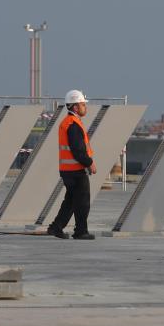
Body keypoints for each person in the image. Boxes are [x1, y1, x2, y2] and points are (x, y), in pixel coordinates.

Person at [47, 90, 97, 240]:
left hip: (69, 170)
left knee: (70, 201)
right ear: (75, 107)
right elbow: (77, 150)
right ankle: (81, 231)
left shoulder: (70, 122)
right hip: (75, 170)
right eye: (82, 104)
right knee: (82, 202)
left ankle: (56, 227)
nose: (85, 107)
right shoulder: (73, 124)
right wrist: (90, 163)